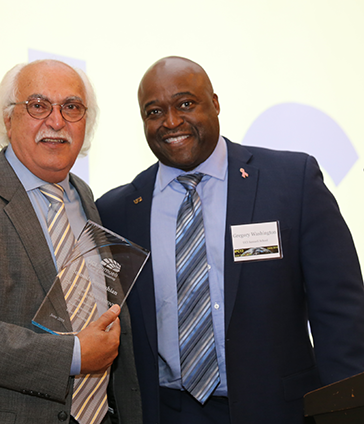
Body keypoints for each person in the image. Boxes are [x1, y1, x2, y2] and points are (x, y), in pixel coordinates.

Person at [96, 56, 364, 424]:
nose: (171, 122)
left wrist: (346, 411)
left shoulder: (291, 182)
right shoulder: (117, 210)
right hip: (166, 412)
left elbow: (341, 312)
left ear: (216, 103)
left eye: (186, 104)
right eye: (154, 111)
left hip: (277, 410)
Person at [0, 59, 142, 424]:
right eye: (38, 105)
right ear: (8, 119)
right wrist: (72, 354)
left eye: (71, 107)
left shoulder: (84, 197)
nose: (56, 121)